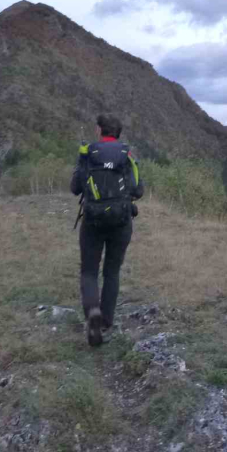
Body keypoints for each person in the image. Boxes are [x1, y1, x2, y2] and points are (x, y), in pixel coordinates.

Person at [70, 114, 143, 347]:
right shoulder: (126, 154)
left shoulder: (88, 153)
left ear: (99, 130)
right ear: (118, 133)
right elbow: (138, 190)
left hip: (92, 221)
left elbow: (75, 188)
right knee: (112, 272)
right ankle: (105, 321)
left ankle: (92, 311)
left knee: (89, 271)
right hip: (121, 221)